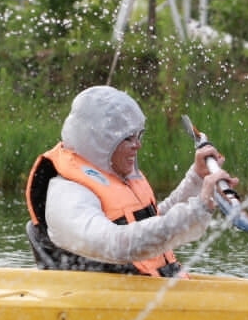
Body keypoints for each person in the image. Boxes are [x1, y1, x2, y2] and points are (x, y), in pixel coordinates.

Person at [25, 86, 236, 278]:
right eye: (127, 138)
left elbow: (152, 221)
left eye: (139, 136)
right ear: (98, 140)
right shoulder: (68, 194)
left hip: (150, 293)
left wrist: (196, 179)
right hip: (101, 308)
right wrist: (198, 209)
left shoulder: (114, 174)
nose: (138, 146)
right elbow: (118, 245)